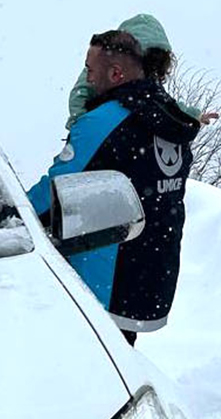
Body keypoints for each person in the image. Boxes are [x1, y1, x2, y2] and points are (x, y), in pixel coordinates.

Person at [28, 30, 201, 345]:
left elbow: (54, 191)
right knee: (117, 370)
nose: (89, 80)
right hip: (149, 276)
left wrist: (9, 215)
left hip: (105, 279)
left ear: (116, 73)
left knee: (82, 372)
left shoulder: (105, 120)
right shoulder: (169, 118)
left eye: (91, 70)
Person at [65, 13, 216, 129]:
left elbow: (165, 105)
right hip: (99, 130)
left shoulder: (145, 83)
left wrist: (193, 115)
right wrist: (80, 125)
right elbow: (80, 92)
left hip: (124, 138)